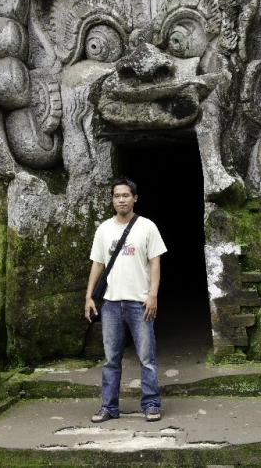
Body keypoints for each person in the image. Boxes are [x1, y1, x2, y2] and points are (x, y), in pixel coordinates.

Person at [84, 177, 167, 423]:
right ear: (112, 200)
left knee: (146, 358)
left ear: (135, 198)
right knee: (111, 359)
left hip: (139, 303)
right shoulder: (104, 230)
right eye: (117, 196)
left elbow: (155, 262)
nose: (121, 199)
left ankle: (151, 404)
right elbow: (97, 264)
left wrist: (153, 295)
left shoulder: (147, 227)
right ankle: (108, 407)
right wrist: (89, 296)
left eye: (126, 195)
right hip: (110, 303)